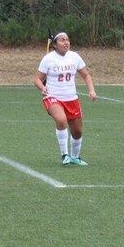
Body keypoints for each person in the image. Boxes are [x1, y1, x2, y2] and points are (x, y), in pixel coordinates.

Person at [34, 32, 97, 166]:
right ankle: (65, 155)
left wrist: (91, 90)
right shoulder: (48, 59)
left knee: (77, 132)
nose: (66, 42)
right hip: (52, 97)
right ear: (55, 44)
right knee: (62, 121)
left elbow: (86, 76)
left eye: (67, 40)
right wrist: (42, 88)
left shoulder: (75, 57)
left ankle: (75, 157)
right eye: (62, 40)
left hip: (71, 98)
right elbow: (37, 79)